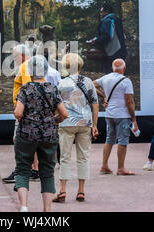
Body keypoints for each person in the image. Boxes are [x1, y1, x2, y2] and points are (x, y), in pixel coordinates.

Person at [13, 55, 68, 212]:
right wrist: (52, 121)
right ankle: (47, 210)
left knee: (22, 169)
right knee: (47, 173)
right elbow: (64, 114)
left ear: (30, 70)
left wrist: (28, 120)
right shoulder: (52, 88)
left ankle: (24, 206)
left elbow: (18, 113)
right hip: (49, 136)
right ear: (45, 70)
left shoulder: (26, 88)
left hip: (26, 135)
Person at [53, 53, 99, 203]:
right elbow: (95, 104)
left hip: (66, 123)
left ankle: (63, 190)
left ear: (67, 66)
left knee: (65, 157)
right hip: (85, 123)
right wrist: (95, 124)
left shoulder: (61, 83)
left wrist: (55, 120)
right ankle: (81, 191)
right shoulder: (88, 82)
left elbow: (56, 106)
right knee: (83, 157)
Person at [2, 44, 41, 184]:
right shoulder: (34, 65)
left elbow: (28, 89)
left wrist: (22, 111)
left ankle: (21, 171)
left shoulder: (25, 67)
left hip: (24, 111)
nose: (14, 59)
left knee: (18, 140)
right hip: (32, 111)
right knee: (31, 140)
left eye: (15, 57)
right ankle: (34, 169)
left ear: (22, 56)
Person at [94, 58, 138, 175]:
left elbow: (92, 85)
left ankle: (104, 166)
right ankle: (121, 168)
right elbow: (129, 102)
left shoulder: (106, 78)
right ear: (124, 69)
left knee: (109, 139)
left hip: (109, 114)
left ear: (112, 68)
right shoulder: (126, 81)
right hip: (122, 115)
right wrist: (134, 119)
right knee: (122, 140)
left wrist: (103, 96)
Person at [88, 3, 127, 74]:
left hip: (111, 54)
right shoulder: (117, 20)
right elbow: (123, 36)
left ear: (107, 12)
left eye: (101, 12)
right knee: (119, 75)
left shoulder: (107, 21)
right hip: (121, 52)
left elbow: (107, 36)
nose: (100, 14)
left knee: (109, 76)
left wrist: (96, 41)